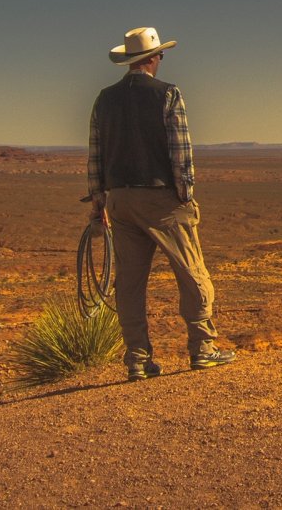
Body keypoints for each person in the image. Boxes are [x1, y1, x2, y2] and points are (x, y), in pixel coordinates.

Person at [88, 26, 236, 380]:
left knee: (129, 282)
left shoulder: (103, 99)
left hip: (119, 201)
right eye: (161, 55)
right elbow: (181, 150)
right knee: (192, 273)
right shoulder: (168, 94)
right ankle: (203, 348)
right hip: (162, 199)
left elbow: (95, 153)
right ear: (153, 58)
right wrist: (185, 193)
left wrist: (98, 199)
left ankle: (137, 359)